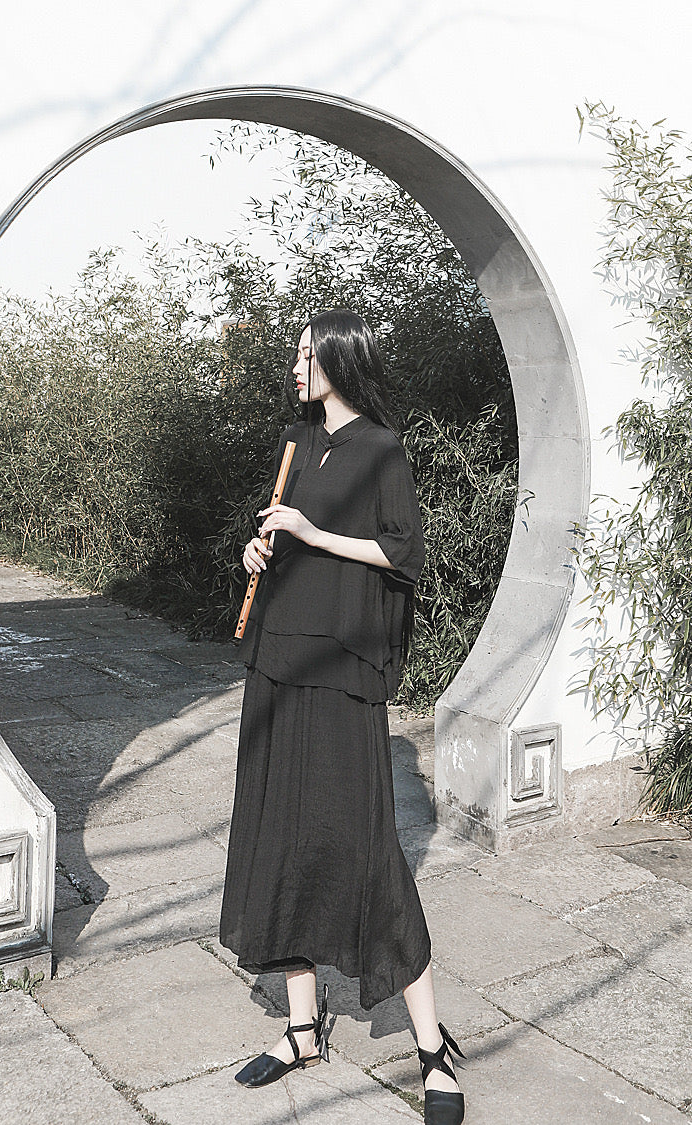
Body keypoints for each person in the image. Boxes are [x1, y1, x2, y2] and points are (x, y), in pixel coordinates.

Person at [219, 309, 465, 1125]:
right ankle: (301, 1029)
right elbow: (285, 540)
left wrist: (311, 530)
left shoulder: (382, 449)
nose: (295, 366)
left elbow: (403, 552)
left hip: (341, 665)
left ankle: (432, 1049)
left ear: (338, 357)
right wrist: (261, 550)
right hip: (278, 657)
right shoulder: (295, 439)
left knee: (365, 849)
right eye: (295, 353)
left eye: (306, 353)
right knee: (281, 834)